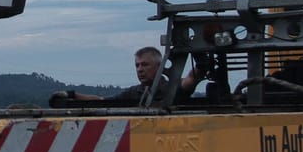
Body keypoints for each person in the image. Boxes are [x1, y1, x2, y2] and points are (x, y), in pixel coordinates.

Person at [56, 46, 201, 105]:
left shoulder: (171, 87)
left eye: (145, 65)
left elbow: (191, 79)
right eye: (137, 65)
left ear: (159, 67)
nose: (140, 69)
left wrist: (202, 64)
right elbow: (102, 101)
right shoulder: (134, 92)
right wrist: (71, 94)